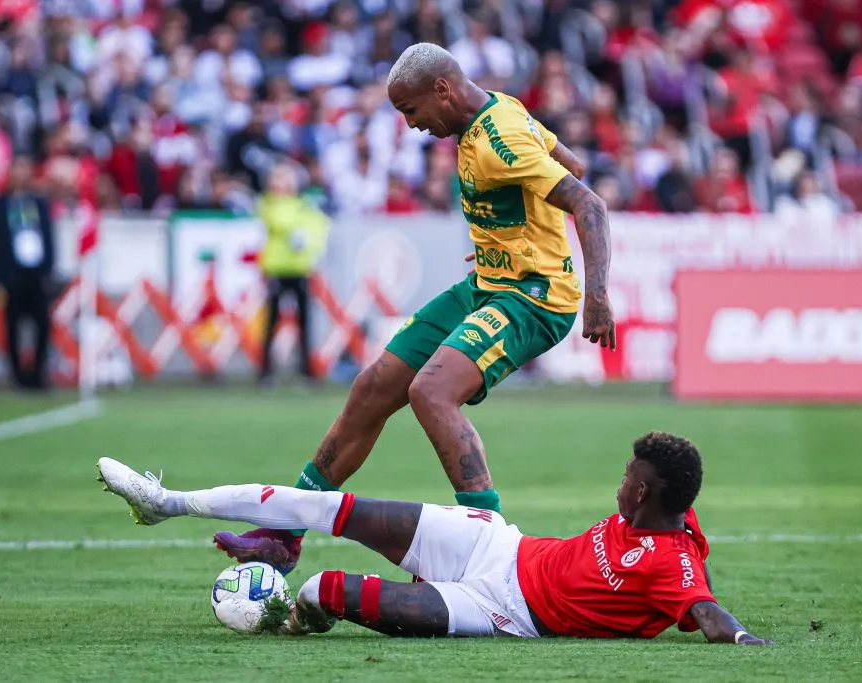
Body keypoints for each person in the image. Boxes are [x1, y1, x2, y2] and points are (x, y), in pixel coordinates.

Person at [214, 43, 617, 573]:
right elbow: (572, 163)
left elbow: (589, 201)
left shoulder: (502, 139)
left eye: (411, 110)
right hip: (488, 283)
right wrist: (510, 234)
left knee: (431, 391)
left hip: (534, 298)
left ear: (442, 89)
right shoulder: (502, 106)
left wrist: (598, 295)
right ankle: (285, 533)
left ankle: (486, 552)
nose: (411, 125)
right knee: (374, 386)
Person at [96, 432, 771, 644]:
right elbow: (691, 565)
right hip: (494, 546)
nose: (620, 483)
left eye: (629, 477)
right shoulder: (671, 520)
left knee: (327, 590)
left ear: (645, 493)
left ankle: (291, 615)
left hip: (503, 611)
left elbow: (707, 610)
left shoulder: (671, 560)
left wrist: (742, 638)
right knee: (326, 506)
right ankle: (166, 502)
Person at [0, 155, 56, 390]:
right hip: (10, 275)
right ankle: (17, 375)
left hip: (35, 273)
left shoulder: (38, 204)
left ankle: (38, 372)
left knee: (43, 324)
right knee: (12, 326)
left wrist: (49, 270)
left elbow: (49, 239)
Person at [257, 162, 330, 386]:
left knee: (304, 322)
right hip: (277, 269)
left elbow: (319, 226)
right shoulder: (269, 204)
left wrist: (310, 243)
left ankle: (307, 371)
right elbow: (279, 221)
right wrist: (300, 228)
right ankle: (265, 371)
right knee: (271, 322)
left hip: (299, 269)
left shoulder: (302, 206)